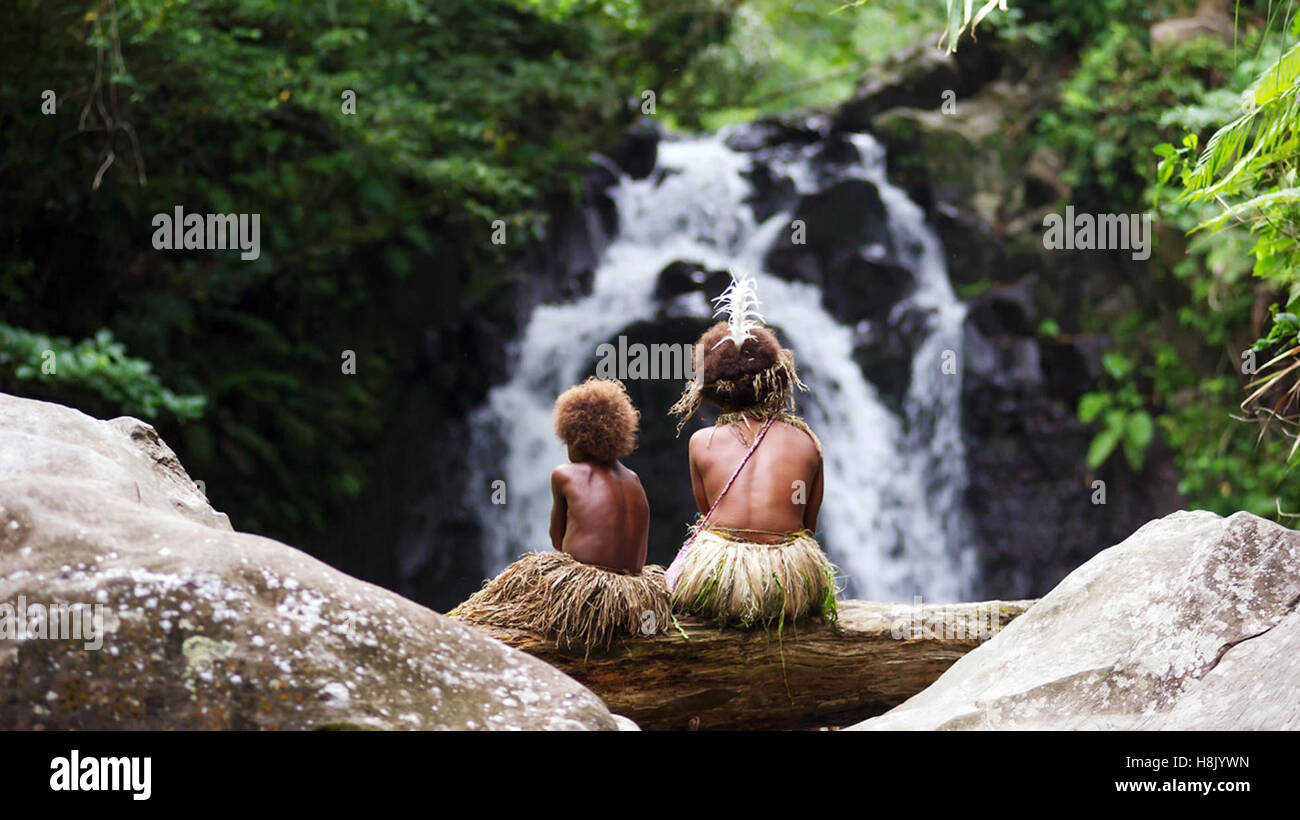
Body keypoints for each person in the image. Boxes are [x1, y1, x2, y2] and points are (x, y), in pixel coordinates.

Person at [666, 272, 839, 628]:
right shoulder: (806, 441)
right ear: (778, 380)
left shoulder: (701, 442)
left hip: (719, 581)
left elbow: (708, 518)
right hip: (790, 582)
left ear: (710, 390)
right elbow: (807, 527)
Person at [448, 378, 670, 650]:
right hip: (635, 597)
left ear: (576, 437)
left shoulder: (565, 474)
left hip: (586, 593)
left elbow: (557, 540)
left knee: (507, 594)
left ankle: (459, 637)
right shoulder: (634, 479)